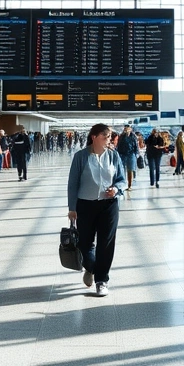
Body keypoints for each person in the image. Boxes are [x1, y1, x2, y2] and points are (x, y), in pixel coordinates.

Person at [67, 124, 126, 297]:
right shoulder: (80, 157)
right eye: (105, 137)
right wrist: (72, 208)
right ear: (94, 137)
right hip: (85, 205)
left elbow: (122, 180)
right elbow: (73, 184)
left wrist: (116, 189)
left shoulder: (114, 155)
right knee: (84, 243)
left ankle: (101, 280)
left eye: (109, 137)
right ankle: (91, 267)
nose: (109, 140)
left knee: (106, 244)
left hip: (109, 205)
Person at [117, 125, 140, 191]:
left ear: (130, 130)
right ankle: (123, 184)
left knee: (130, 170)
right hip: (123, 154)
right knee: (122, 169)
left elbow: (136, 146)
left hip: (131, 154)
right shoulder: (121, 136)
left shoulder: (133, 137)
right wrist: (118, 153)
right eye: (125, 129)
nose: (126, 130)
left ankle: (129, 185)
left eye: (128, 129)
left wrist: (136, 154)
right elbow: (119, 145)